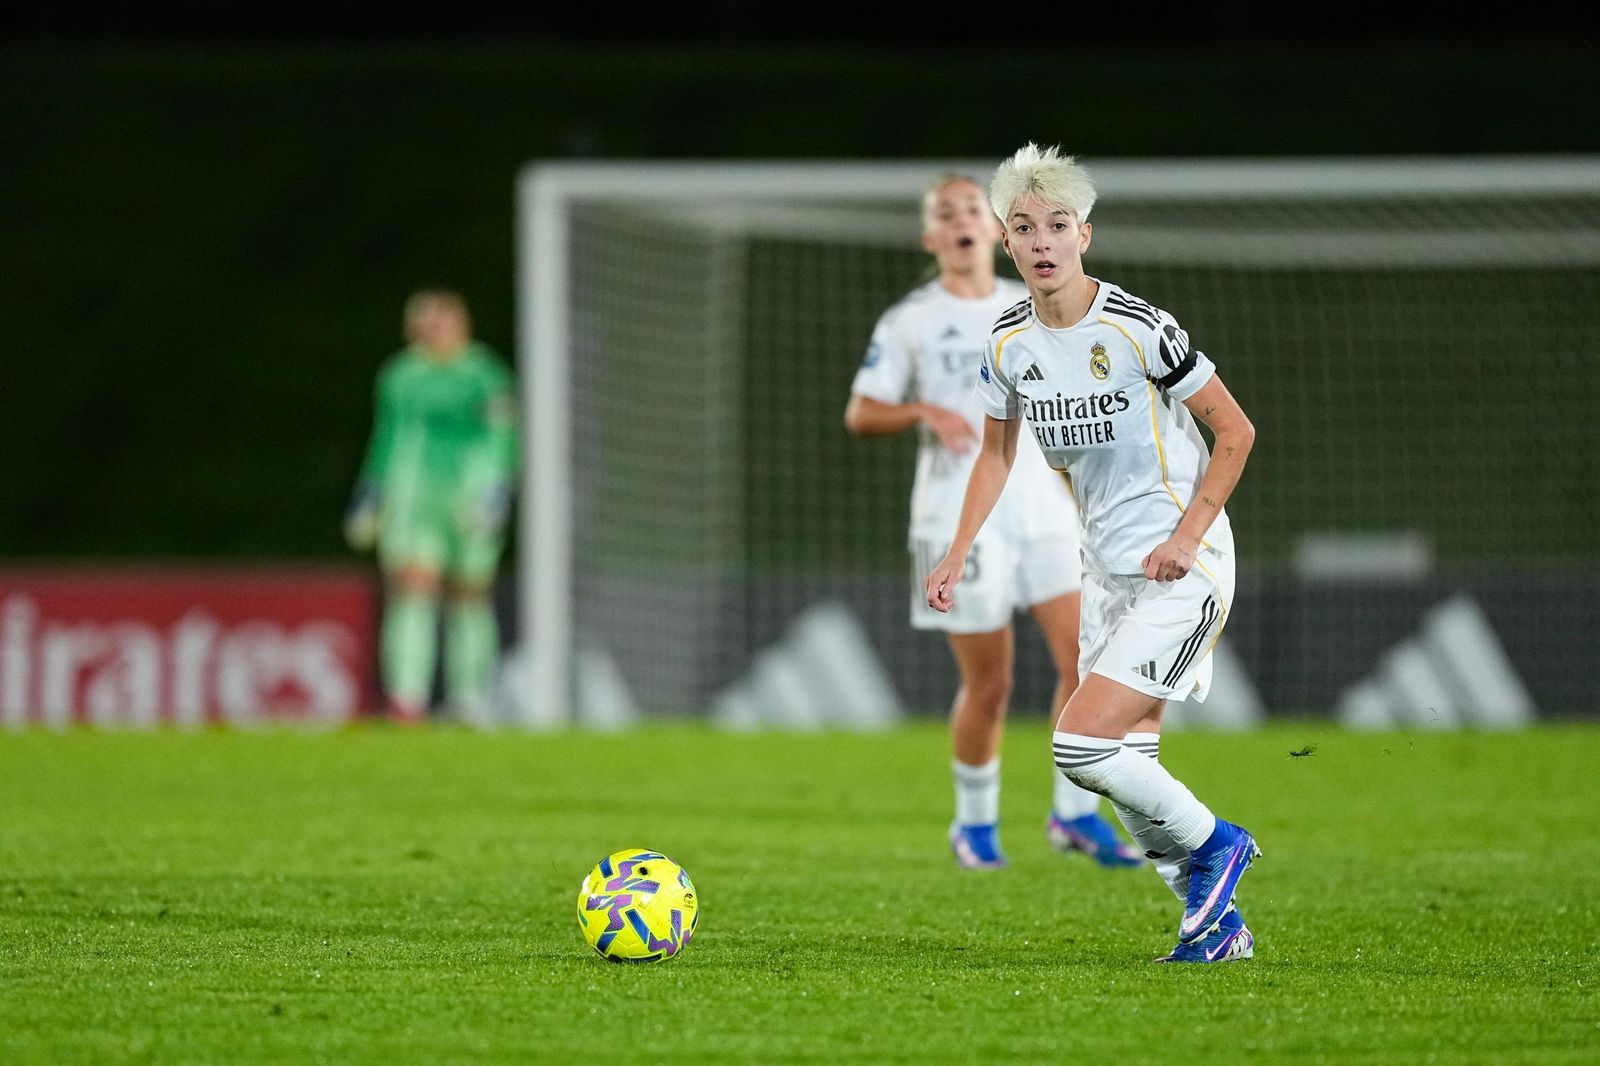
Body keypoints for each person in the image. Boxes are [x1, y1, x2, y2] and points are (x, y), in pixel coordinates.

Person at [925, 145, 1260, 963]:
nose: (1043, 242)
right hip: (1108, 572)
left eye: (1059, 226)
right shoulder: (1009, 343)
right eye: (1027, 228)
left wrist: (1187, 537)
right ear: (1009, 241)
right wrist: (955, 548)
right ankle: (1219, 931)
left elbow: (1235, 430)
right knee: (1125, 763)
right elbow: (997, 455)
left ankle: (1221, 844)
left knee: (1080, 746)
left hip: (1187, 564)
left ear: (1086, 236)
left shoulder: (1139, 326)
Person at [846, 175, 1141, 871]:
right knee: (993, 683)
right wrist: (923, 412)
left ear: (998, 229)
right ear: (932, 237)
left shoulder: (1032, 304)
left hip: (1043, 510)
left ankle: (1074, 816)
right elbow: (861, 412)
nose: (960, 222)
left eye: (971, 209)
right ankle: (974, 826)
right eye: (944, 215)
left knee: (1083, 658)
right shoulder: (910, 319)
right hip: (954, 519)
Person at [345, 290, 518, 725]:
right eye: (423, 323)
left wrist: (499, 488)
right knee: (412, 589)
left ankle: (472, 698)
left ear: (461, 325)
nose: (432, 331)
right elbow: (387, 436)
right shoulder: (401, 375)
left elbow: (505, 435)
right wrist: (371, 490)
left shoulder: (485, 374)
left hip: (468, 493)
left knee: (470, 594)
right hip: (413, 494)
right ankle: (407, 698)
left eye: (441, 322)